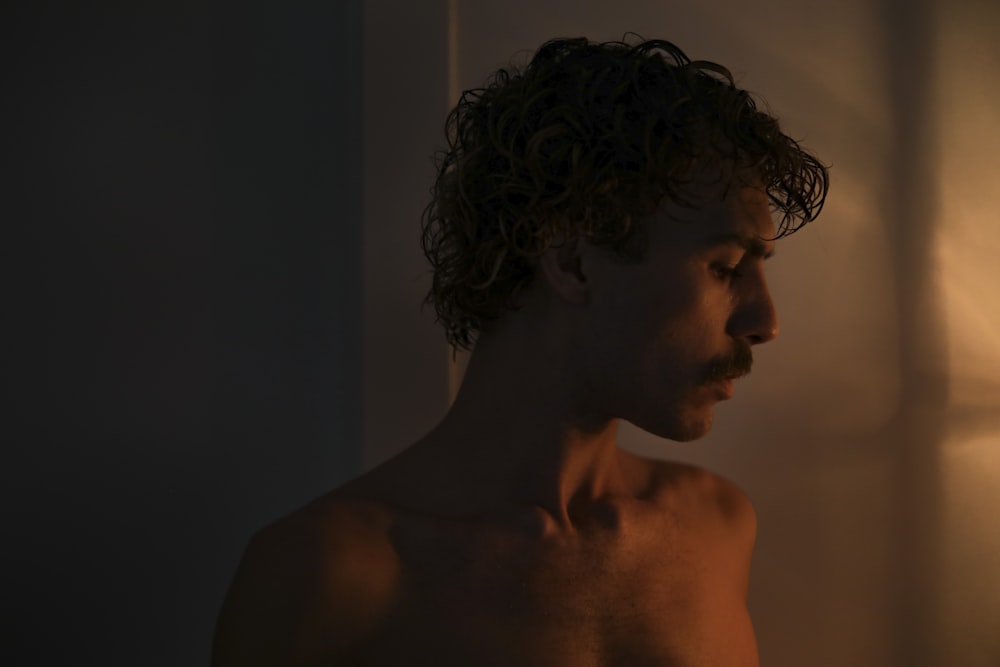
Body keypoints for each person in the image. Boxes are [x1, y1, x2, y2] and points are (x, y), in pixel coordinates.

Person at [211, 35, 828, 666]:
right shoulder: (332, 575)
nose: (765, 321)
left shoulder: (717, 526)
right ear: (571, 261)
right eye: (725, 267)